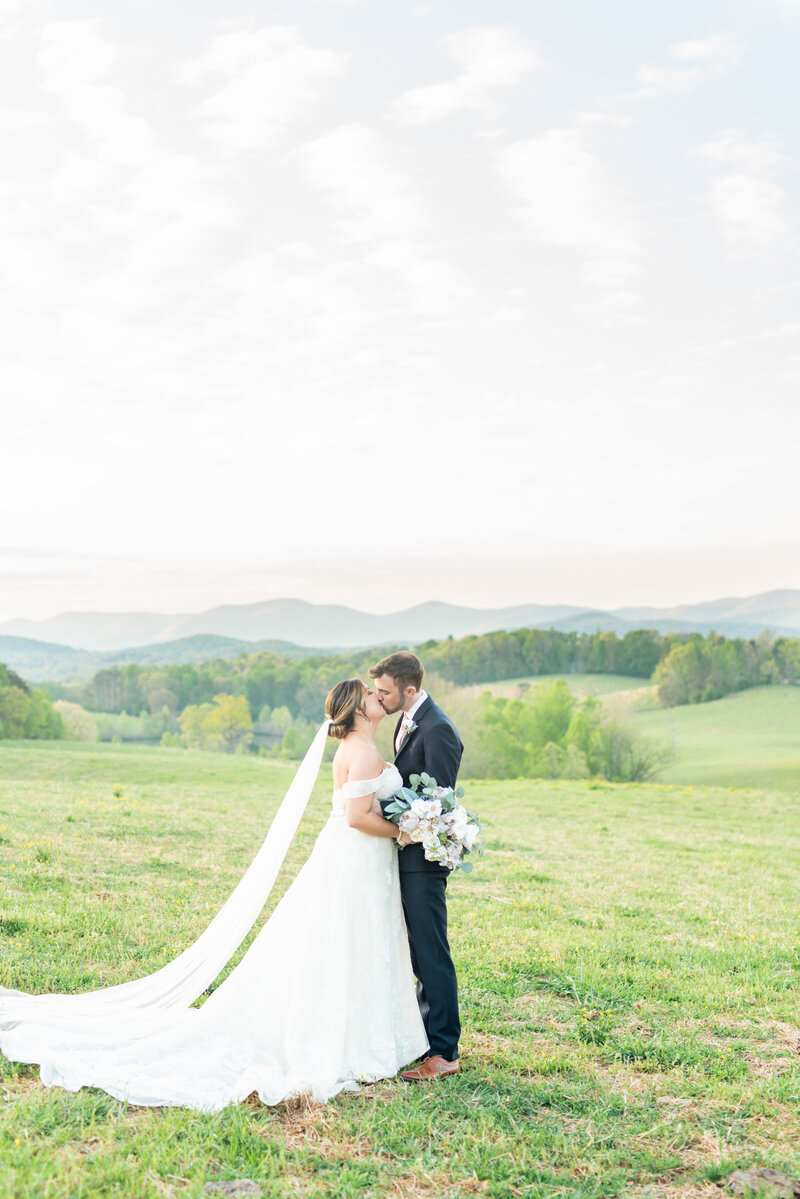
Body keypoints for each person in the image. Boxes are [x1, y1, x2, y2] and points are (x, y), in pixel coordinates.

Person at [0, 680, 428, 1110]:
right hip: (354, 858)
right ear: (358, 710)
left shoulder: (357, 749)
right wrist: (407, 831)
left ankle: (355, 1028)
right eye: (372, 696)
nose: (379, 698)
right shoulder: (364, 752)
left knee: (348, 940)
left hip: (357, 859)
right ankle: (345, 1035)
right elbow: (356, 817)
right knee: (346, 938)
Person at [369, 651, 464, 1081]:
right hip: (406, 855)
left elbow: (439, 804)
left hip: (423, 860)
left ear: (409, 689)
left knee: (431, 953)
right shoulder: (408, 718)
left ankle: (444, 1054)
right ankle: (428, 1043)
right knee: (417, 955)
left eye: (385, 691)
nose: (378, 697)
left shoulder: (439, 729)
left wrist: (404, 825)